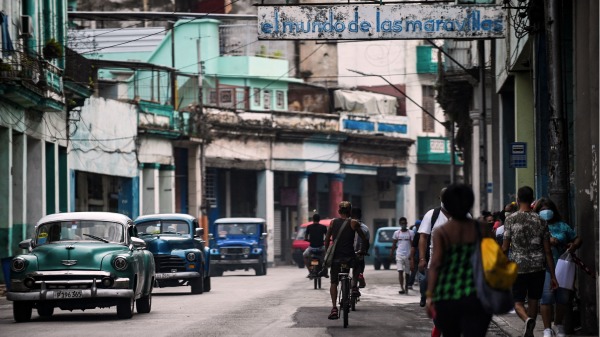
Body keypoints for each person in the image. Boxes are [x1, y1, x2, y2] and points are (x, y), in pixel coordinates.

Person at [425, 184, 493, 337]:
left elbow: (435, 264)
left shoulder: (441, 232)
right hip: (477, 296)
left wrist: (430, 296)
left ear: (446, 204)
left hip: (448, 295)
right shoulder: (482, 229)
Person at [502, 186, 559, 337]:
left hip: (518, 266)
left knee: (517, 302)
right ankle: (530, 332)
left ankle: (527, 320)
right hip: (538, 267)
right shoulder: (540, 220)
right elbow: (547, 251)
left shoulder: (510, 219)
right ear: (532, 199)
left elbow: (505, 247)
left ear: (518, 200)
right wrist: (553, 275)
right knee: (534, 299)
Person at [534, 197, 582, 337]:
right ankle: (547, 329)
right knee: (546, 298)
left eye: (548, 210)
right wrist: (547, 241)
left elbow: (577, 238)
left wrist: (574, 245)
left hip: (562, 266)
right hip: (544, 267)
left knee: (563, 298)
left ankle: (558, 325)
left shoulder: (562, 226)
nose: (545, 212)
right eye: (542, 210)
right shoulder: (535, 225)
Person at [324, 201, 369, 320]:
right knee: (358, 264)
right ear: (350, 212)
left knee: (334, 282)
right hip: (349, 257)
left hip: (336, 258)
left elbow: (327, 239)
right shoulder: (354, 223)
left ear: (339, 211)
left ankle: (334, 308)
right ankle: (354, 286)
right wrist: (363, 250)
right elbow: (364, 239)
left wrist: (327, 252)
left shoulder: (333, 223)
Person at [418, 187, 449, 307]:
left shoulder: (464, 214)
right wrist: (422, 259)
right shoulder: (432, 215)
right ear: (440, 198)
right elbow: (423, 237)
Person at [390, 217, 414, 294]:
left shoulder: (411, 233)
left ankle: (406, 286)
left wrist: (412, 255)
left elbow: (413, 245)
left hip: (408, 255)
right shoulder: (397, 233)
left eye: (405, 223)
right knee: (400, 271)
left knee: (407, 273)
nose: (403, 225)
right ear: (400, 224)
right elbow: (394, 244)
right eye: (402, 223)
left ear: (406, 224)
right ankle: (402, 287)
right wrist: (391, 253)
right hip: (399, 254)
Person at [303, 213, 329, 278]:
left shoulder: (309, 227)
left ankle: (310, 272)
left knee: (305, 256)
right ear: (319, 220)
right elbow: (327, 237)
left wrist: (307, 239)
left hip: (311, 248)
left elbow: (306, 237)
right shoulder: (323, 227)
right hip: (321, 248)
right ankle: (325, 272)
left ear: (313, 219)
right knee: (326, 258)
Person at [352, 207, 370, 288]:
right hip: (359, 253)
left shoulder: (347, 226)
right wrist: (364, 251)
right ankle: (360, 276)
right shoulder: (365, 228)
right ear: (360, 215)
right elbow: (366, 242)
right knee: (359, 266)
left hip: (346, 252)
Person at [407, 219, 421, 290]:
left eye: (419, 225)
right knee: (414, 270)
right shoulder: (414, 233)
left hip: (422, 254)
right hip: (416, 254)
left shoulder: (424, 233)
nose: (418, 226)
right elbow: (413, 246)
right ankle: (410, 283)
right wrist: (411, 256)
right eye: (417, 225)